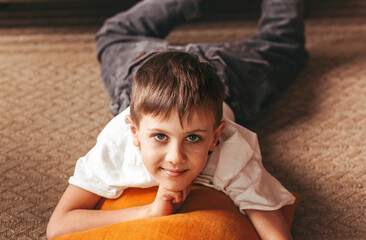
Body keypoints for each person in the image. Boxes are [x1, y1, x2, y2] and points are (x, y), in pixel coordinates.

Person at [47, 0, 308, 239]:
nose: (175, 157)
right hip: (146, 66)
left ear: (215, 137)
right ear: (135, 132)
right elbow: (58, 225)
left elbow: (275, 233)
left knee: (285, 43)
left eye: (193, 137)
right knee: (113, 34)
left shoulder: (230, 151)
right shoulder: (118, 146)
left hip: (224, 72)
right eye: (160, 136)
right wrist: (148, 212)